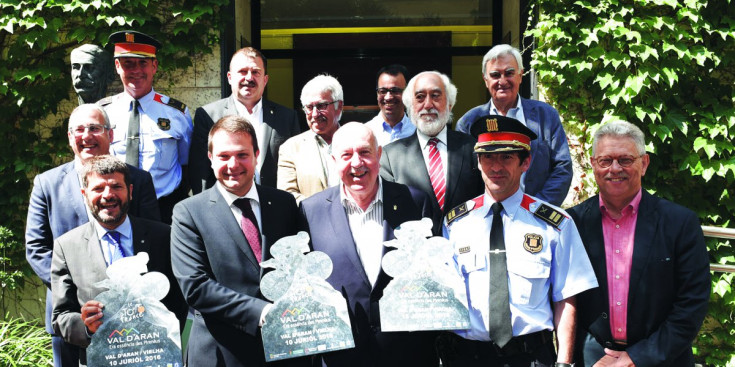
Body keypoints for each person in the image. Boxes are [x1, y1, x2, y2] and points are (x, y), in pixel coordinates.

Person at [442, 115, 598, 366]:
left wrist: (564, 362)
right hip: (468, 356)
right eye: (488, 157)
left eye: (506, 157)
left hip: (531, 357)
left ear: (526, 162)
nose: (496, 167)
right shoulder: (455, 223)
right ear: (478, 162)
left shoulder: (555, 224)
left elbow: (566, 299)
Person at [25, 104, 159, 367]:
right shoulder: (47, 183)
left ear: (110, 134)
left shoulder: (139, 179)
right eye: (79, 129)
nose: (87, 135)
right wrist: (76, 290)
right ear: (69, 137)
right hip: (73, 317)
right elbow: (36, 247)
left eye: (95, 128)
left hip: (137, 315)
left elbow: (153, 239)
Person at [568, 121, 710, 367]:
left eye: (625, 160)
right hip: (594, 360)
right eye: (605, 161)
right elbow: (566, 299)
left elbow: (692, 303)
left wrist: (638, 357)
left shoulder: (680, 222)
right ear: (593, 165)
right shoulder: (573, 223)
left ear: (643, 164)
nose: (615, 169)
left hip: (663, 359)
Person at [299, 122, 439, 366]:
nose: (356, 163)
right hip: (342, 356)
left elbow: (434, 276)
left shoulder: (415, 202)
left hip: (408, 353)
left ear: (379, 155)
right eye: (346, 155)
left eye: (364, 152)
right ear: (333, 161)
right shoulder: (310, 211)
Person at [171, 115, 306, 366]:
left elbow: (301, 268)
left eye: (242, 155)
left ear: (257, 155)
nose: (233, 164)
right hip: (221, 352)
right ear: (210, 159)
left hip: (283, 349)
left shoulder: (283, 204)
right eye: (224, 156)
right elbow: (195, 287)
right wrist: (260, 312)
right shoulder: (188, 212)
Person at [50, 155, 187, 366]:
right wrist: (86, 326)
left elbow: (181, 299)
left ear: (130, 191)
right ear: (84, 194)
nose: (108, 195)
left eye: (116, 186)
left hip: (159, 358)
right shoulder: (66, 247)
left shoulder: (164, 236)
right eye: (98, 189)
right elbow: (61, 317)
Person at [455, 44, 572, 207]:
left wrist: (536, 208)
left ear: (520, 75)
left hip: (537, 215)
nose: (502, 81)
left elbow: (562, 167)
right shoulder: (469, 122)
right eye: (495, 75)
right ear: (485, 80)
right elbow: (462, 177)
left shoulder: (546, 116)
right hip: (488, 216)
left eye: (509, 73)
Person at [99, 30, 193, 224]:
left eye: (143, 63)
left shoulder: (177, 113)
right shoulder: (102, 113)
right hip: (115, 211)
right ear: (117, 66)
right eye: (128, 63)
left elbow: (187, 164)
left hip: (164, 210)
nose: (136, 70)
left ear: (154, 66)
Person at [189, 47, 300, 193]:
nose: (249, 78)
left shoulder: (287, 117)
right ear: (229, 77)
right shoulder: (208, 115)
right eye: (242, 71)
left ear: (265, 79)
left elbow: (296, 167)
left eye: (255, 72)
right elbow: (200, 172)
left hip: (273, 206)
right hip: (225, 206)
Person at [380, 70, 483, 228]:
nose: (428, 105)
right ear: (410, 106)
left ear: (450, 104)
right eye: (420, 97)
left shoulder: (473, 149)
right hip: (415, 251)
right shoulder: (389, 157)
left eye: (435, 95)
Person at [277, 74, 343, 203]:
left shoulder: (356, 140)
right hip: (311, 221)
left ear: (339, 106)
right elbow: (287, 195)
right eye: (309, 107)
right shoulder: (291, 148)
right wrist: (324, 210)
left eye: (321, 106)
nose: (314, 114)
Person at [365, 64, 416, 146]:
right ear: (377, 94)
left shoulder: (417, 131)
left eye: (395, 91)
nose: (388, 97)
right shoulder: (366, 132)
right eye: (383, 91)